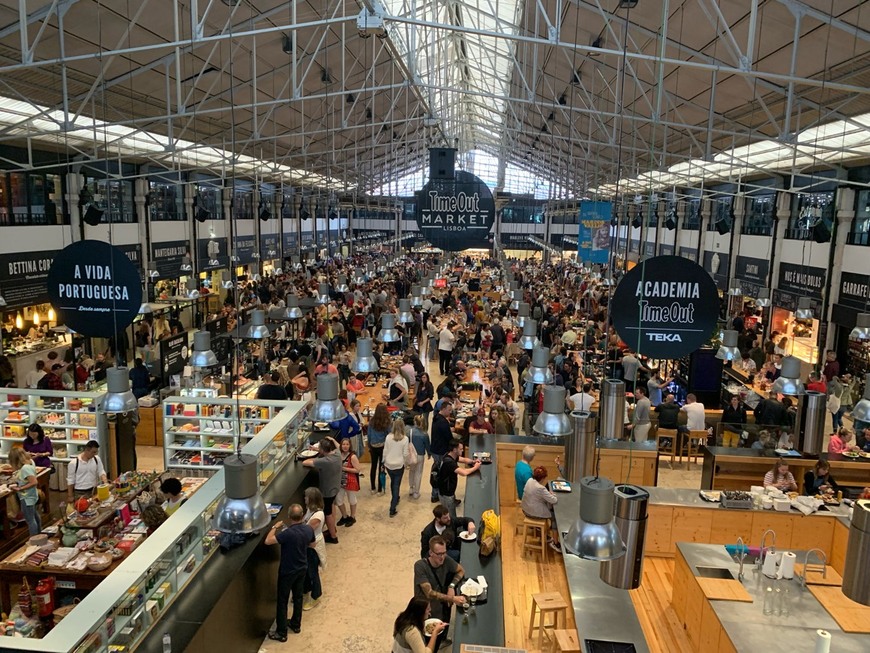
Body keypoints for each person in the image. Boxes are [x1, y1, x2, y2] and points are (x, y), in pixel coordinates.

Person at [265, 504, 315, 641]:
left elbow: (268, 541)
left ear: (289, 516)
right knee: (298, 597)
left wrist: (275, 527)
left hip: (287, 571)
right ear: (302, 514)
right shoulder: (308, 529)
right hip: (302, 568)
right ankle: (296, 624)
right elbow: (312, 544)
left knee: (282, 600)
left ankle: (281, 632)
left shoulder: (287, 534)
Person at [413, 535, 467, 630]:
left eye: (444, 553)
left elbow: (461, 570)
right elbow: (429, 593)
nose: (442, 557)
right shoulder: (420, 566)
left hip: (440, 609)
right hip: (425, 610)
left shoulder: (446, 560)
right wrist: (453, 598)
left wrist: (451, 586)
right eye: (438, 554)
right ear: (431, 553)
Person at [301, 436, 341, 543]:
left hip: (327, 490)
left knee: (327, 513)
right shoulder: (337, 454)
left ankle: (333, 536)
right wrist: (318, 449)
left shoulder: (324, 461)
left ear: (323, 450)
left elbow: (306, 462)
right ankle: (333, 528)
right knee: (332, 506)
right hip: (335, 486)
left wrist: (315, 454)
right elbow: (338, 446)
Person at [436, 438, 482, 522]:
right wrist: (475, 467)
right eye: (460, 449)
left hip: (446, 491)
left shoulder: (450, 455)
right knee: (451, 517)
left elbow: (463, 459)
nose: (462, 450)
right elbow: (463, 472)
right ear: (454, 450)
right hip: (446, 494)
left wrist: (473, 461)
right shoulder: (449, 463)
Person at [521, 466, 560, 551]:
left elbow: (535, 495)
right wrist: (552, 494)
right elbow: (554, 500)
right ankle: (555, 543)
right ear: (542, 478)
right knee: (554, 518)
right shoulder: (541, 488)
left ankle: (544, 535)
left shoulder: (529, 481)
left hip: (525, 510)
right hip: (533, 513)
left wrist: (547, 494)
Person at [302, 487, 327, 611]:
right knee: (306, 570)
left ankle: (315, 596)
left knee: (313, 572)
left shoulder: (318, 515)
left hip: (314, 547)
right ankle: (305, 590)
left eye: (306, 497)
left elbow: (307, 530)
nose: (304, 499)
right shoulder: (309, 510)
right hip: (307, 545)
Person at [8, 449, 41, 535]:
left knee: (30, 520)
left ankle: (34, 539)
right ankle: (39, 534)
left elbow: (34, 482)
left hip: (27, 497)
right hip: (31, 495)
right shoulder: (30, 462)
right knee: (34, 515)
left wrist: (20, 488)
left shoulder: (25, 468)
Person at [384, 418, 411, 517]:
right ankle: (392, 507)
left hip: (389, 464)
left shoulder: (388, 437)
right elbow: (405, 454)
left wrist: (384, 461)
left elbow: (385, 451)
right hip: (399, 465)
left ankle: (395, 497)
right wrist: (406, 464)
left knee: (393, 482)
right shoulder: (405, 439)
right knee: (396, 485)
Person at [429, 400, 455, 503]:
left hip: (435, 449)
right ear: (443, 409)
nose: (450, 412)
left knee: (436, 472)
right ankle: (438, 495)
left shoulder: (436, 418)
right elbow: (449, 438)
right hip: (441, 451)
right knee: (440, 474)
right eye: (449, 410)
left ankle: (435, 494)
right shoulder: (443, 422)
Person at [336, 437, 361, 527]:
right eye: (343, 444)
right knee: (339, 500)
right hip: (340, 481)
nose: (345, 446)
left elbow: (358, 469)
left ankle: (352, 517)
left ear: (350, 445)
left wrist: (345, 469)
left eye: (347, 444)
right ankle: (344, 516)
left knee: (352, 499)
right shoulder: (338, 455)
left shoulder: (352, 456)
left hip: (350, 481)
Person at [367, 404, 390, 495]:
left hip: (373, 446)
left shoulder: (372, 421)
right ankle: (380, 489)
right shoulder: (387, 422)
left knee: (373, 466)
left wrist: (369, 445)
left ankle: (373, 488)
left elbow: (369, 435)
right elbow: (389, 435)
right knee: (381, 467)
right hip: (383, 447)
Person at [408, 414, 431, 500]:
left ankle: (411, 487)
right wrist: (429, 454)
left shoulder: (410, 432)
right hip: (420, 455)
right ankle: (416, 492)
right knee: (418, 473)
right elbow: (427, 446)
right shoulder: (425, 434)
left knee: (411, 470)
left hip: (411, 454)